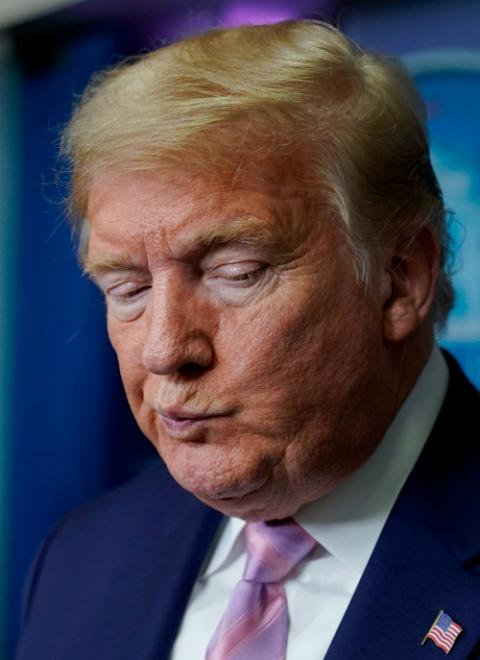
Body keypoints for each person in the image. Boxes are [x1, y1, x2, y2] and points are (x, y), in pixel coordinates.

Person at [16, 19, 480, 660]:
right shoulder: (79, 559)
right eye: (128, 289)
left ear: (401, 280)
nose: (164, 349)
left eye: (235, 274)